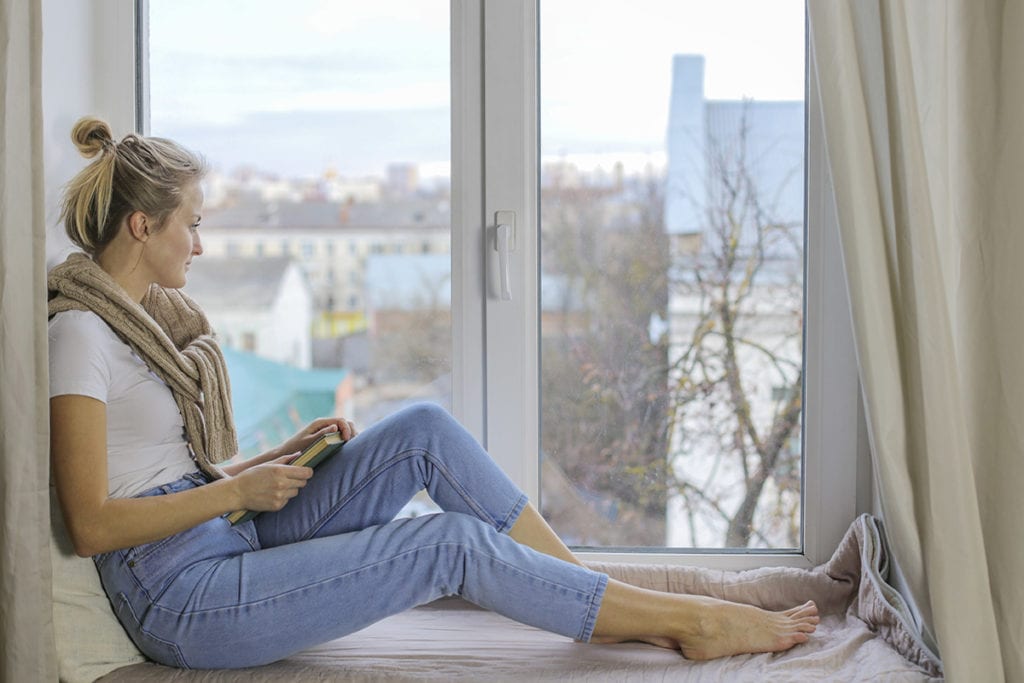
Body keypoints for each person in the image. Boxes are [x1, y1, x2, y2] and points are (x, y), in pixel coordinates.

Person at [47, 116, 819, 670]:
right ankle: (684, 620)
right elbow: (92, 521)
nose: (203, 243)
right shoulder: (82, 333)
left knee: (421, 427)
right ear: (143, 226)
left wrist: (272, 461)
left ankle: (597, 596)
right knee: (445, 544)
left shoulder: (148, 324)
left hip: (220, 535)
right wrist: (237, 491)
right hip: (181, 596)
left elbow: (161, 465)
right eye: (193, 223)